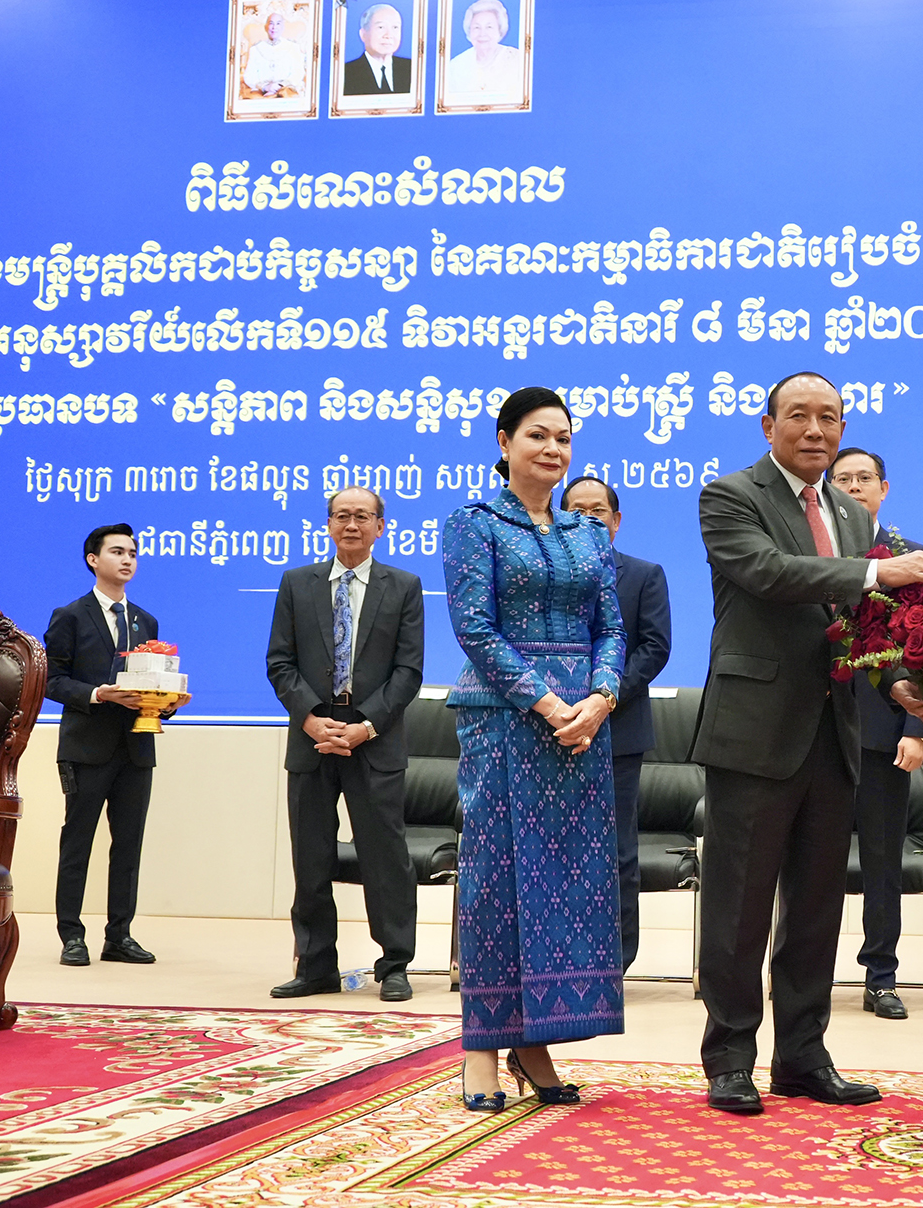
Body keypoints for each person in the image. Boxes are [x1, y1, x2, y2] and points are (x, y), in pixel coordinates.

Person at [692, 372, 923, 1117]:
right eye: (799, 416)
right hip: (754, 729)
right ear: (767, 424)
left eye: (829, 417)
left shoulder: (850, 512)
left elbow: (864, 626)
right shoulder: (729, 495)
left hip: (836, 732)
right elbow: (770, 573)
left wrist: (899, 683)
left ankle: (803, 1056)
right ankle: (730, 1059)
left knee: (815, 909)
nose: (815, 429)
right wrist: (878, 569)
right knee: (739, 908)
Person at [443, 389, 626, 1110]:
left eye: (563, 438)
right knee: (496, 881)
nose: (553, 449)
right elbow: (474, 628)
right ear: (504, 441)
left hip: (584, 726)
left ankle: (536, 1041)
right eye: (537, 435)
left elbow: (611, 627)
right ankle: (482, 1050)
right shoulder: (474, 523)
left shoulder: (589, 532)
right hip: (505, 721)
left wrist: (600, 698)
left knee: (563, 886)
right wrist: (547, 703)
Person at [265, 487, 426, 1004]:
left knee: (385, 858)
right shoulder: (297, 583)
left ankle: (394, 964)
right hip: (312, 738)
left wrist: (366, 726)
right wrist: (312, 720)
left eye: (362, 516)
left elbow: (408, 671)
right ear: (328, 524)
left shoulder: (404, 586)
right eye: (341, 516)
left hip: (374, 740)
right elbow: (280, 663)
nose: (351, 525)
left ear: (381, 526)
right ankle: (315, 966)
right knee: (310, 858)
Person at [826, 447, 923, 1021]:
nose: (853, 487)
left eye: (863, 478)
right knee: (808, 862)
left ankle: (881, 977)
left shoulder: (912, 558)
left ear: (883, 488)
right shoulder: (810, 553)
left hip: (883, 733)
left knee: (882, 864)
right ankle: (805, 974)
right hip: (815, 731)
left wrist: (918, 728)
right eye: (841, 479)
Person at [44, 524, 171, 969]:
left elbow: (152, 681)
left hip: (136, 748)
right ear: (93, 560)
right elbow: (52, 681)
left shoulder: (145, 621)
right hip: (86, 748)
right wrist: (99, 694)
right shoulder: (70, 616)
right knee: (77, 844)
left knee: (128, 846)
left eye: (133, 553)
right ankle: (71, 935)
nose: (128, 559)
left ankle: (119, 935)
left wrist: (166, 703)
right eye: (117, 552)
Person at [561, 474, 672, 973]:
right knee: (557, 848)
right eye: (576, 510)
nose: (587, 519)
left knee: (615, 849)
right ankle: (559, 952)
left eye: (597, 511)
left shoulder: (644, 574)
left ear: (616, 520)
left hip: (618, 730)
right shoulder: (541, 576)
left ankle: (615, 959)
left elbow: (654, 648)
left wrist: (602, 701)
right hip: (551, 724)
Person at [445, 0, 526, 101]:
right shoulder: (455, 66)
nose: (482, 34)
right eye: (477, 27)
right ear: (469, 31)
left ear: (500, 31)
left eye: (489, 27)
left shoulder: (518, 60)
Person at [342, 2, 412, 95]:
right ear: (363, 34)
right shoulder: (345, 73)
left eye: (395, 27)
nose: (388, 35)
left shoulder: (413, 69)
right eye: (381, 27)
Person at [243, 11, 304, 97]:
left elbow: (298, 72)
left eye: (278, 24)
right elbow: (249, 75)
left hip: (286, 91)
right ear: (266, 27)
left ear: (282, 27)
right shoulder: (255, 49)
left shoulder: (293, 47)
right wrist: (265, 87)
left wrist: (280, 86)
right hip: (261, 92)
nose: (274, 27)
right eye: (271, 23)